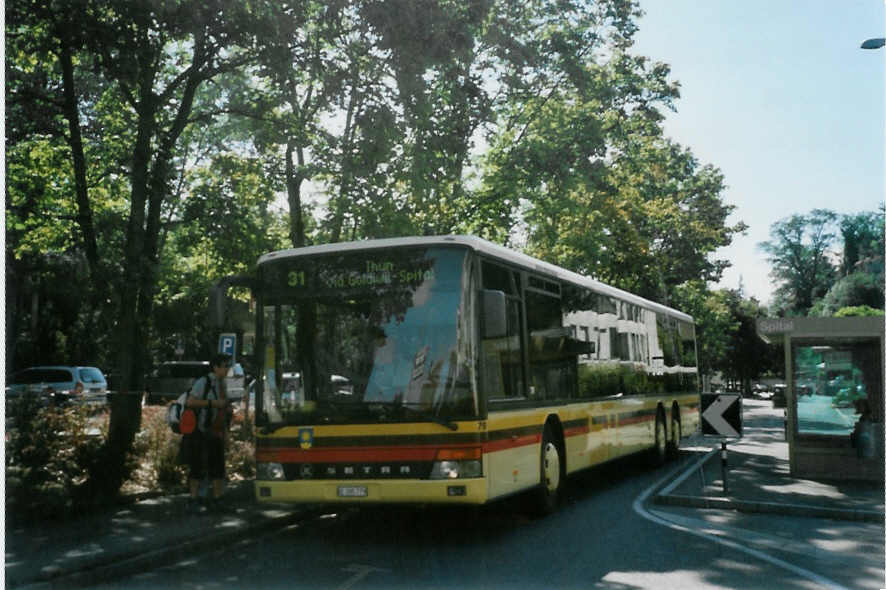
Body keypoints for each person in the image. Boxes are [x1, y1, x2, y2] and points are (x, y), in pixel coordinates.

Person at [184, 353, 233, 513]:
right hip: (200, 430)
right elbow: (190, 401)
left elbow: (223, 408)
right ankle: (193, 500)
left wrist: (226, 431)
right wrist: (213, 403)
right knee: (197, 466)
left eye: (228, 366)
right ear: (215, 367)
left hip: (216, 431)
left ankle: (218, 500)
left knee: (218, 467)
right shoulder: (203, 382)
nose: (227, 369)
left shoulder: (223, 384)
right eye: (225, 366)